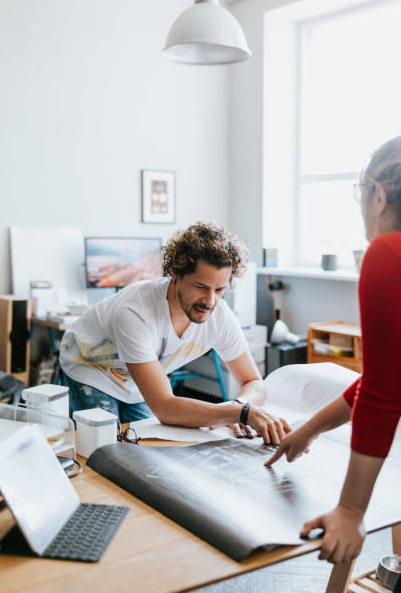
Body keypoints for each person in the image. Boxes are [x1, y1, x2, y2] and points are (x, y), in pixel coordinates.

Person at [265, 136, 401, 572]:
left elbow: (383, 392)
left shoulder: (387, 253)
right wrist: (310, 429)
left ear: (378, 196)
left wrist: (350, 512)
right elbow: (387, 375)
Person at [60, 221, 291, 444]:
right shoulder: (136, 311)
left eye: (219, 289)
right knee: (106, 446)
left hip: (134, 378)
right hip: (90, 366)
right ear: (174, 273)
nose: (210, 301)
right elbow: (164, 407)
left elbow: (254, 382)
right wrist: (239, 414)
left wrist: (242, 405)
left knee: (146, 446)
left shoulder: (220, 316)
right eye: (200, 287)